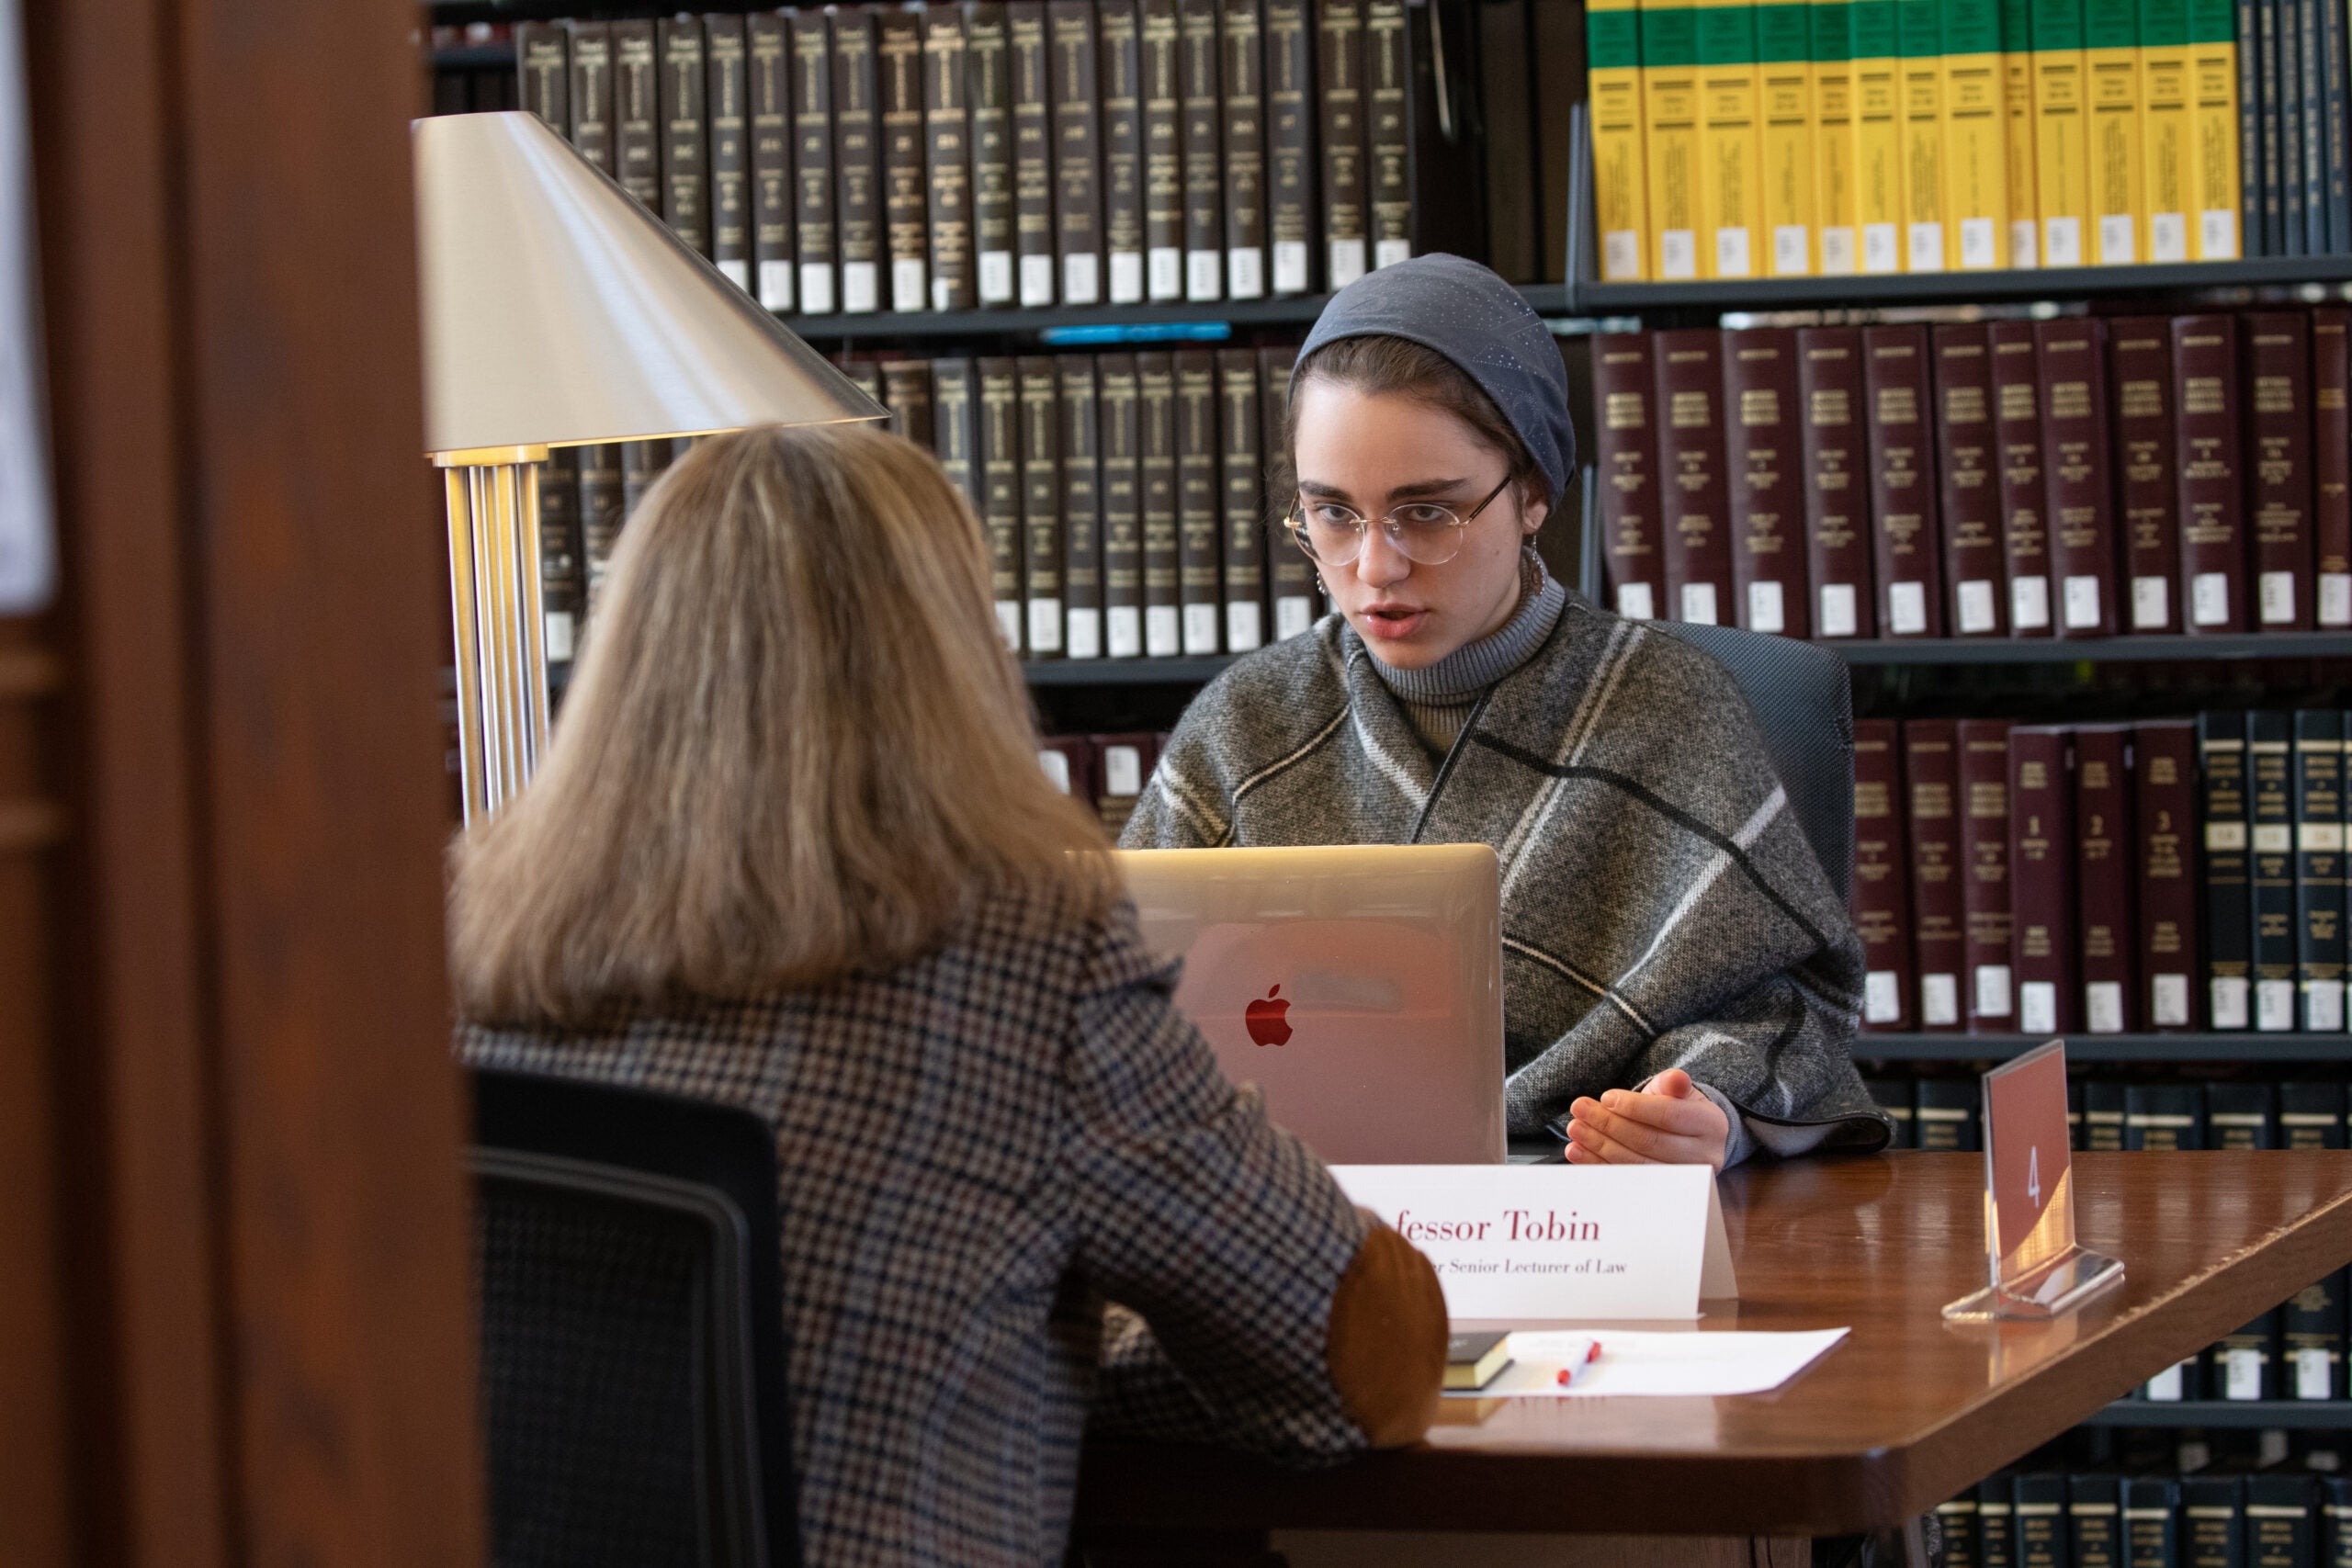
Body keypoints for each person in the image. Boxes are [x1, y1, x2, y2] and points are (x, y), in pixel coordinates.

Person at [449, 425, 1446, 1566]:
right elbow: (1364, 1365)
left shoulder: (458, 949)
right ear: (955, 656)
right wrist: (1066, 1340)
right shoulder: (1017, 961)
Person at [1122, 254, 1891, 1170]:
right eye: (1332, 515)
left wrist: (1705, 1113)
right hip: (1292, 1207)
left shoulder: (1672, 709)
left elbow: (1779, 1017)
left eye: (1427, 513)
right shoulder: (1244, 725)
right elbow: (1115, 1008)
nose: (1374, 568)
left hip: (1578, 1205)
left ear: (1530, 494)